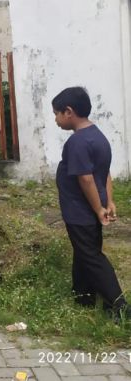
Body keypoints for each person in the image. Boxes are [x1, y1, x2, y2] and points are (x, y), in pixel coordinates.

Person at [52, 86, 129, 322]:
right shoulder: (98, 136)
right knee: (83, 252)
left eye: (56, 114)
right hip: (92, 208)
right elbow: (104, 174)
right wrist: (109, 201)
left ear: (68, 112)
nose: (55, 119)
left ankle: (118, 304)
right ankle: (83, 295)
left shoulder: (77, 143)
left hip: (80, 210)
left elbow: (86, 178)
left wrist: (97, 208)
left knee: (91, 256)